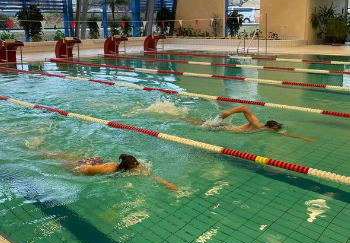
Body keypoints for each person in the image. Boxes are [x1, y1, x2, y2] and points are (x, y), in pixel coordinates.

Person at [44, 151, 178, 191]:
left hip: (97, 161)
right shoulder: (109, 168)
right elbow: (86, 169)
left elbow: (150, 175)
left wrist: (166, 183)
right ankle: (46, 154)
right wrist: (74, 172)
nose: (139, 168)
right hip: (90, 167)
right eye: (136, 167)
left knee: (72, 158)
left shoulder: (134, 165)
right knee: (65, 163)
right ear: (129, 168)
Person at [182, 105, 315, 142]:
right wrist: (229, 113)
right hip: (224, 128)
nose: (276, 132)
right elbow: (244, 108)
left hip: (225, 129)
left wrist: (302, 138)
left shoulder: (264, 130)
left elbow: (284, 134)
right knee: (199, 125)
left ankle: (183, 117)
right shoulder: (258, 125)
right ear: (269, 127)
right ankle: (181, 117)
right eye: (275, 130)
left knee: (200, 124)